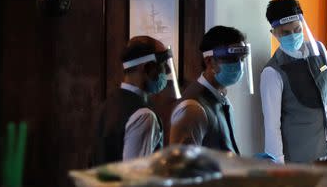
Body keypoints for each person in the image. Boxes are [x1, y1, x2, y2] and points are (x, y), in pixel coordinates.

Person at [261, 0, 327, 164]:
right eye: (286, 33)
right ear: (274, 33)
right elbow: (272, 127)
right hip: (298, 162)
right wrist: (278, 168)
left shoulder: (319, 51)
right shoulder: (272, 72)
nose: (293, 35)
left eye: (297, 29)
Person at [88, 36, 179, 166]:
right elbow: (137, 179)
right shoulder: (144, 116)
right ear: (148, 68)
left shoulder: (107, 104)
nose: (168, 71)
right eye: (164, 65)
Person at [170, 26, 251, 154]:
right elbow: (183, 168)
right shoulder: (193, 108)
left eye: (242, 59)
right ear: (209, 61)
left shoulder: (220, 99)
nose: (239, 65)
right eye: (231, 59)